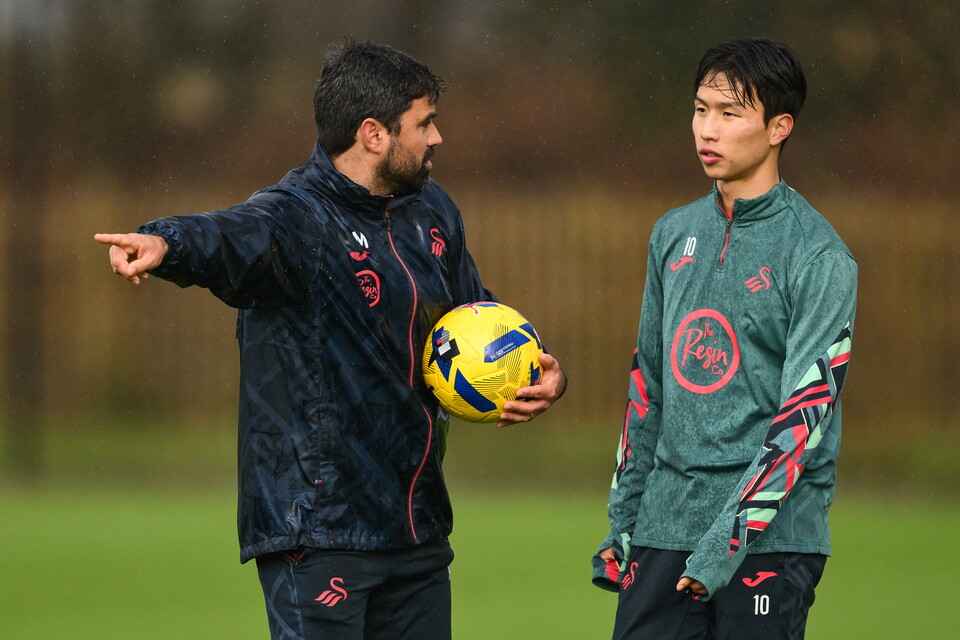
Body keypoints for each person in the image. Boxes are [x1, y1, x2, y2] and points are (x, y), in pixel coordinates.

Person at [95, 40, 566, 640]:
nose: (437, 137)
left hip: (416, 528)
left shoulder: (432, 211)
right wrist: (166, 243)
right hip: (320, 532)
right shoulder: (297, 219)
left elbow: (478, 319)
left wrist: (540, 373)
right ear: (373, 134)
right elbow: (231, 236)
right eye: (425, 123)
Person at [592, 38, 857, 639]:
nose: (706, 129)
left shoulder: (819, 256)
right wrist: (623, 524)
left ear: (779, 128)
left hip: (770, 544)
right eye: (700, 109)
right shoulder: (671, 234)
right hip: (663, 532)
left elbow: (804, 417)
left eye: (730, 113)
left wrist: (722, 547)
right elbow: (647, 390)